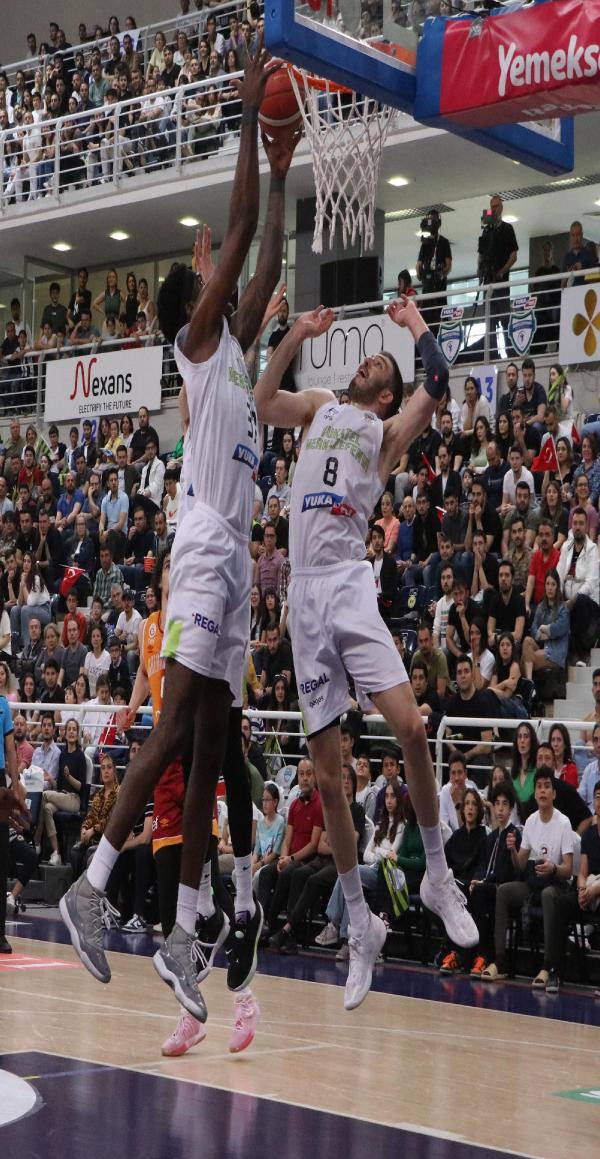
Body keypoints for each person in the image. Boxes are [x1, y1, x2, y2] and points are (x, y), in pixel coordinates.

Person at [60, 47, 300, 1024]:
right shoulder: (200, 351)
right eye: (207, 292)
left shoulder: (238, 358)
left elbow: (270, 255)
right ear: (190, 317)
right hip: (202, 544)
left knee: (212, 743)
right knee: (175, 729)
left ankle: (183, 928)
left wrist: (287, 170)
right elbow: (240, 237)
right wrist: (249, 119)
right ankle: (92, 882)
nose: (227, 294)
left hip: (233, 561)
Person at [254, 293, 478, 1012]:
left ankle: (438, 876)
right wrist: (293, 332)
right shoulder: (320, 404)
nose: (368, 358)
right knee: (327, 780)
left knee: (411, 729)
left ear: (385, 392)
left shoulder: (385, 433)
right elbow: (262, 399)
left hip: (349, 584)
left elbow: (437, 384)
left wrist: (414, 326)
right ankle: (361, 924)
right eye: (372, 355)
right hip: (305, 599)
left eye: (380, 363)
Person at [481, 769, 574, 989]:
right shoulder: (531, 821)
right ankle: (500, 960)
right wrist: (513, 850)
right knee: (504, 891)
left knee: (548, 895)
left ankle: (548, 966)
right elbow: (521, 864)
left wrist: (553, 868)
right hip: (532, 881)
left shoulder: (564, 823)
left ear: (554, 793)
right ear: (535, 794)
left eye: (547, 786)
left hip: (555, 883)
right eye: (539, 786)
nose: (542, 791)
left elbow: (568, 870)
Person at [0, 688, 24, 954]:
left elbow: (9, 748)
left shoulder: (3, 705)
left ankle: (0, 934)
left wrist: (15, 786)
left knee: (2, 855)